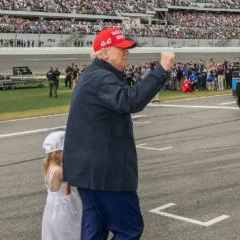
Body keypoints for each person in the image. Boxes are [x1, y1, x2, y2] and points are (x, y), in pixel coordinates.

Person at [63, 27, 175, 240]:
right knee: (129, 229)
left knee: (94, 230)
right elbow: (130, 100)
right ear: (103, 53)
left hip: (90, 173)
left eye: (127, 48)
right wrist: (161, 70)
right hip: (106, 174)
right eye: (121, 48)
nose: (127, 52)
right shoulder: (101, 77)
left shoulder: (94, 75)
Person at [42, 131, 82, 240]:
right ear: (57, 152)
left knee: (57, 232)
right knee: (68, 231)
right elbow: (76, 178)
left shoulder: (49, 166)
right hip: (63, 206)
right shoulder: (59, 170)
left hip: (52, 205)